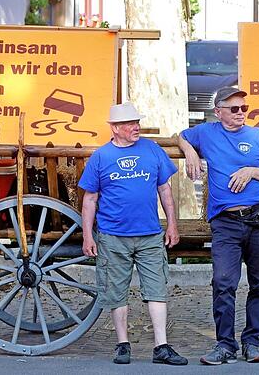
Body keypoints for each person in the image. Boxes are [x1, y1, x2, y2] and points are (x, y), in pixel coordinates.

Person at [178, 87, 259, 365]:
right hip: (225, 221)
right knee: (223, 283)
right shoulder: (206, 133)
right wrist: (189, 150)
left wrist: (251, 171)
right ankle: (225, 345)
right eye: (234, 109)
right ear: (219, 112)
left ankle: (252, 341)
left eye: (244, 109)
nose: (241, 114)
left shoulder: (258, 137)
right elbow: (178, 135)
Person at [78, 102, 187, 366]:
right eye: (129, 123)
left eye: (136, 122)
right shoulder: (101, 157)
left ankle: (161, 346)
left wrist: (172, 224)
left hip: (150, 234)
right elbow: (90, 199)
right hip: (113, 235)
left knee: (157, 289)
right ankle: (122, 344)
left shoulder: (152, 150)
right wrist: (87, 235)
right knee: (116, 291)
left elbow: (165, 191)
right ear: (115, 128)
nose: (135, 127)